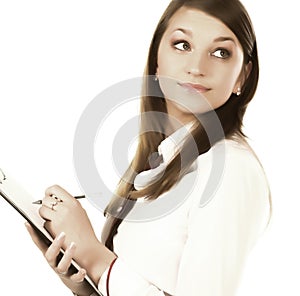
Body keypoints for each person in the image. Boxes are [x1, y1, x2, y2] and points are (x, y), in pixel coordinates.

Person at [26, 0, 272, 295]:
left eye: (220, 53)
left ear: (242, 76)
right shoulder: (161, 160)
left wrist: (94, 257)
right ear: (157, 59)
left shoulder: (230, 168)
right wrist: (84, 280)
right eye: (182, 45)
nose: (196, 67)